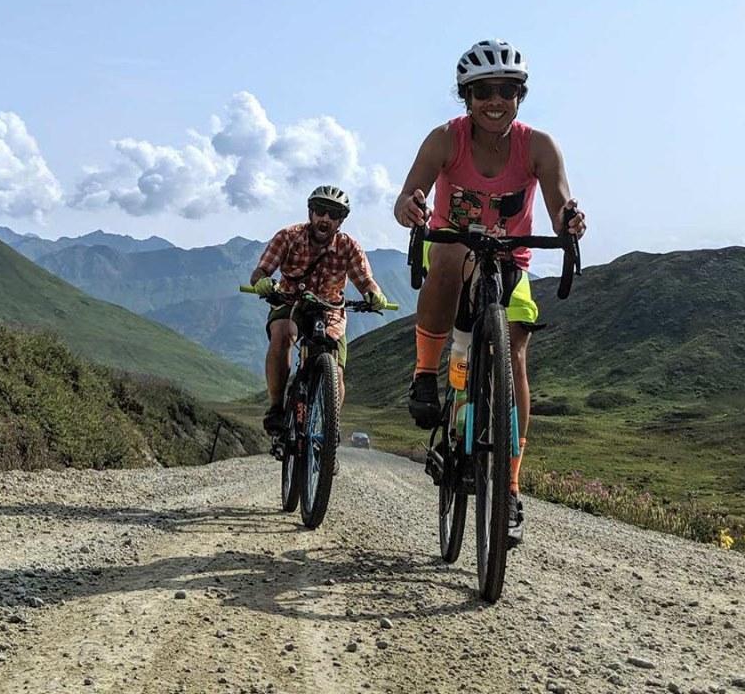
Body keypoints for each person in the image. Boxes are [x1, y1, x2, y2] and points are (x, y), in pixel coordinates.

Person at [393, 39, 586, 543]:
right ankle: (425, 375)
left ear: (520, 95)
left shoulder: (538, 146)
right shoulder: (444, 140)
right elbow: (405, 197)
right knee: (451, 255)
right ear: (466, 97)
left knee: (516, 355)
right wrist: (412, 207)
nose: (494, 100)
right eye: (482, 91)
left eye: (505, 89)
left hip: (509, 262)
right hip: (453, 253)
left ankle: (511, 488)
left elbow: (560, 202)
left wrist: (569, 220)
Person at [250, 185, 389, 435]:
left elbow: (366, 281)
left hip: (330, 312)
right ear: (310, 212)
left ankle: (329, 434)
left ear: (341, 221)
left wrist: (375, 295)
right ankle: (276, 408)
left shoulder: (349, 247)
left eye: (333, 214)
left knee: (335, 371)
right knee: (282, 334)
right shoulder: (288, 237)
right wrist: (262, 282)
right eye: (320, 211)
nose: (325, 218)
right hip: (290, 301)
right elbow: (262, 270)